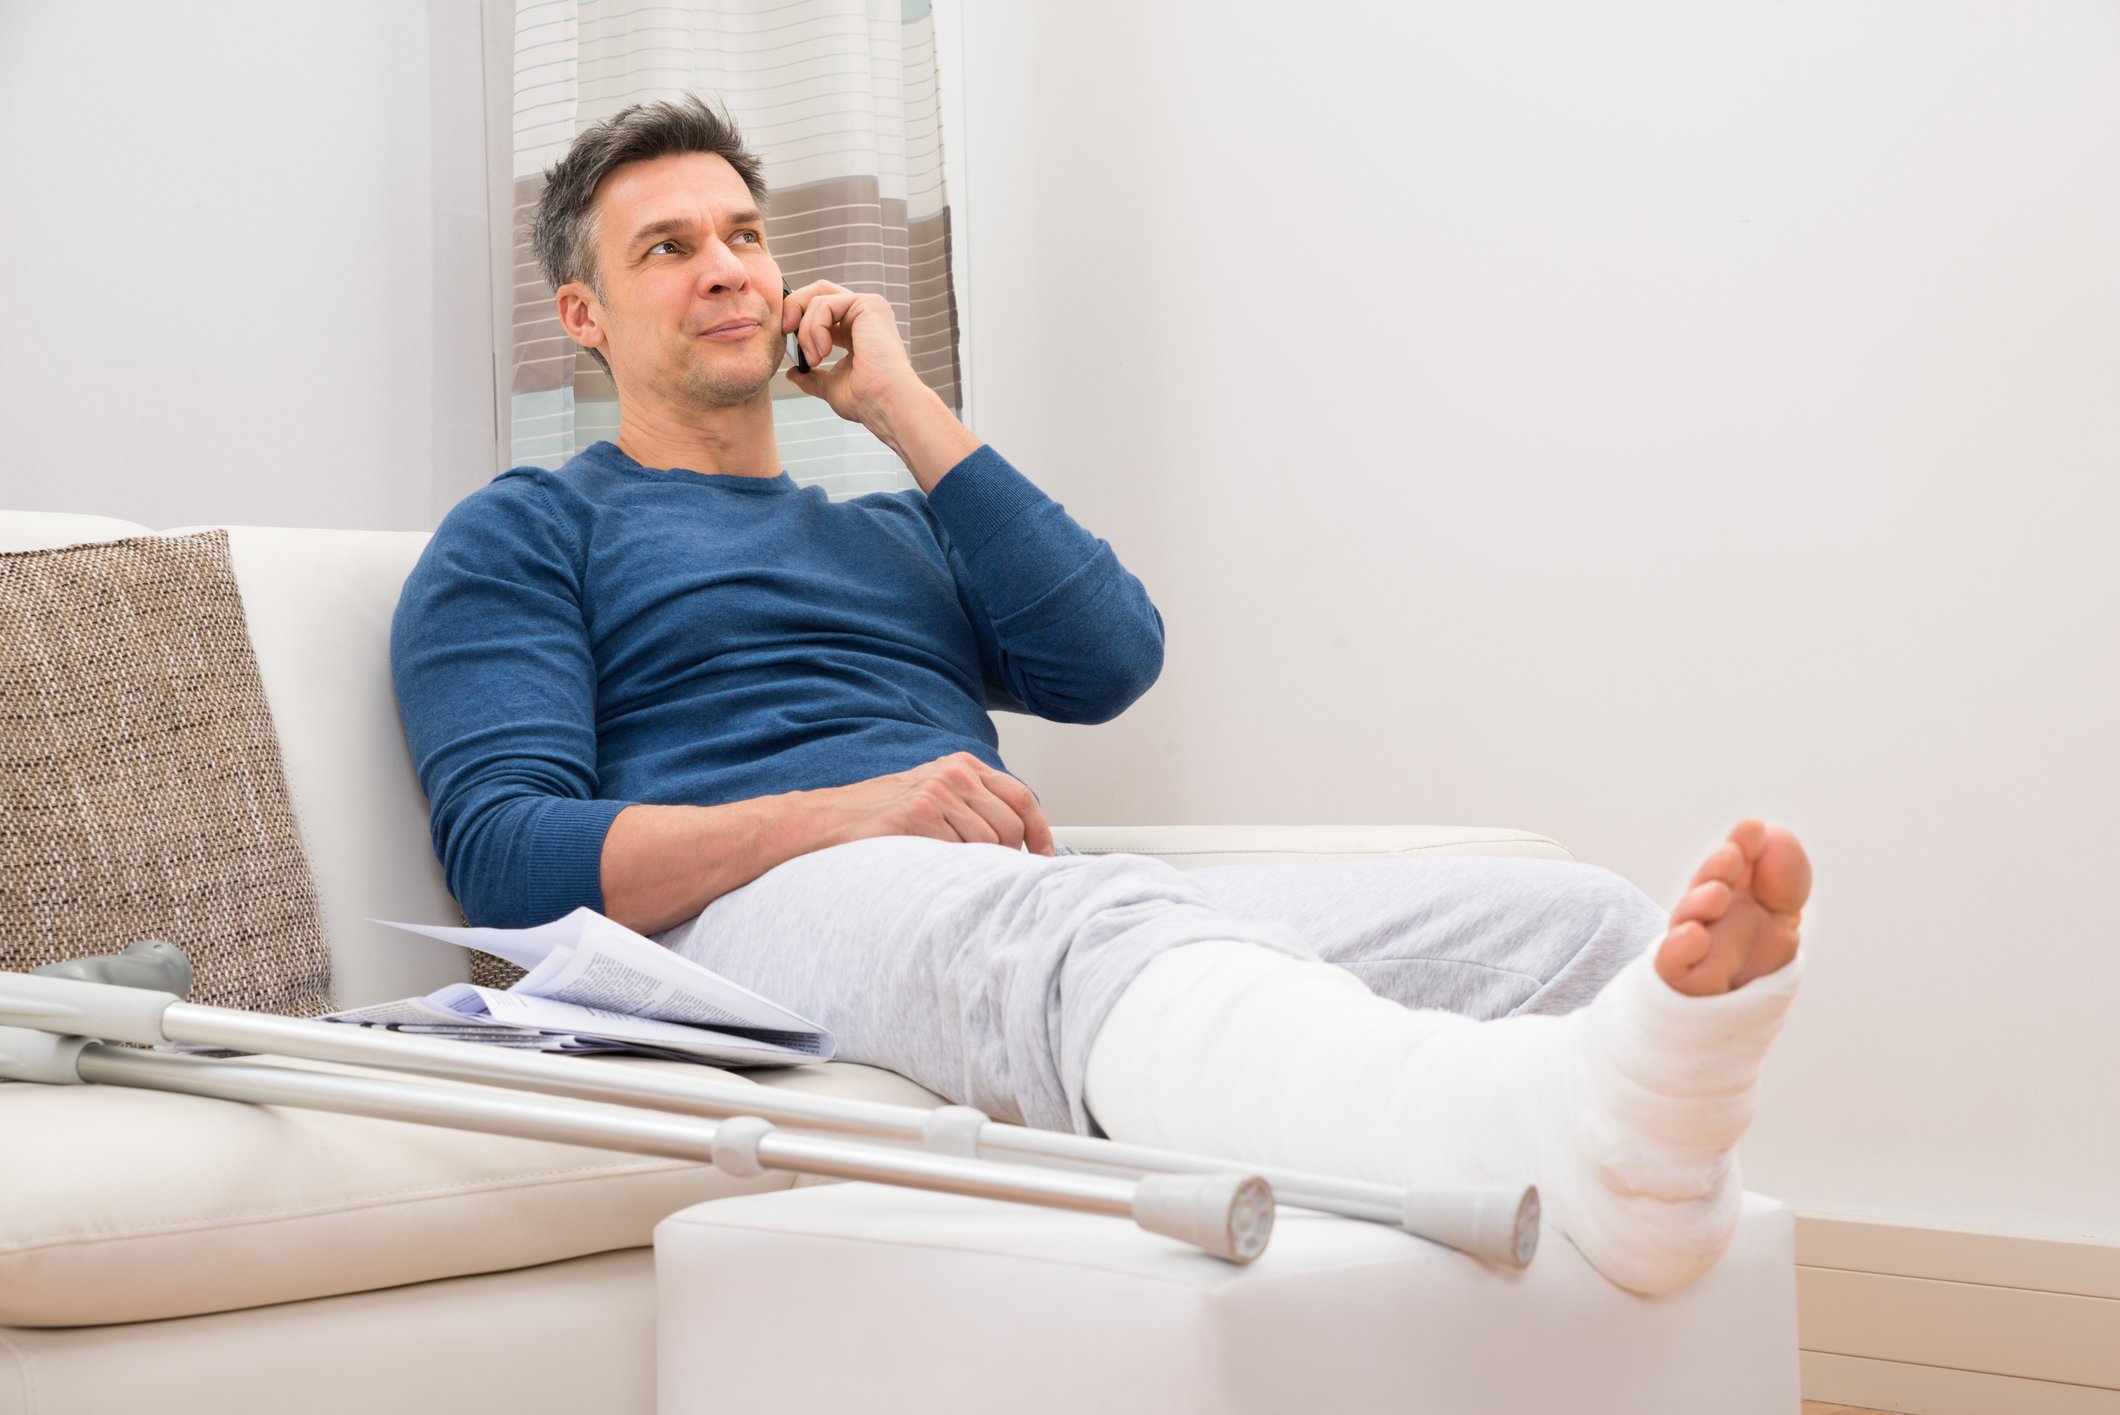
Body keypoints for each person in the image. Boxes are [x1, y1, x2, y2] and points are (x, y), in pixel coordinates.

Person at [392, 94, 1810, 1296]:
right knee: (1061, 916)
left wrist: (900, 407)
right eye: (670, 248)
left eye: (746, 236)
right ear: (581, 314)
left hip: (991, 892)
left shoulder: (893, 529)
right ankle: (1592, 1153)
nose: (728, 270)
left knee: (1573, 928)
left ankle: (1616, 1143)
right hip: (748, 927)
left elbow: (1111, 658)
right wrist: (843, 815)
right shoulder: (526, 530)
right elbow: (508, 856)